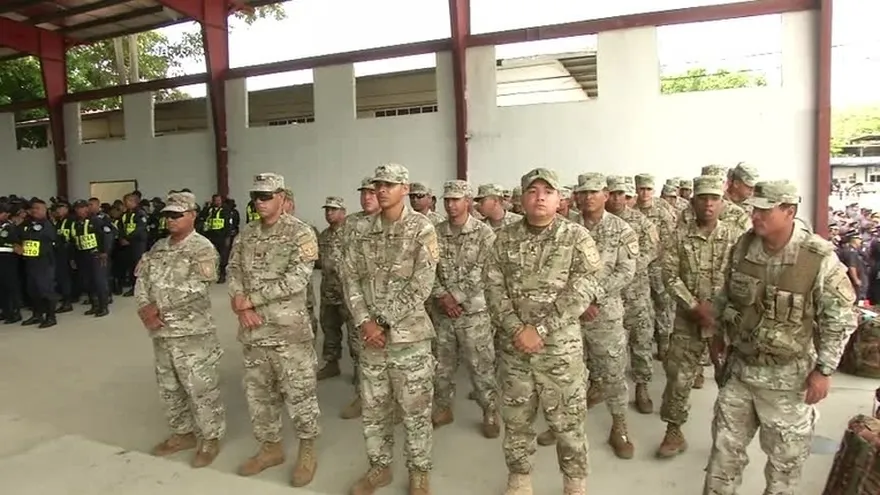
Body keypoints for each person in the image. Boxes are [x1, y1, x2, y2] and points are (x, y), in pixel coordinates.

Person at [703, 180, 857, 494]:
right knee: (723, 454)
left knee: (784, 466)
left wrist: (824, 370)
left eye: (764, 210)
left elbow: (839, 318)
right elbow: (727, 295)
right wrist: (717, 331)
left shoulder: (817, 257)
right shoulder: (744, 247)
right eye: (753, 209)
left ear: (789, 211)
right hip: (741, 372)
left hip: (788, 379)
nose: (755, 216)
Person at [484, 168, 603, 495]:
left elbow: (583, 288)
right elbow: (493, 290)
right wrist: (516, 329)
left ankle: (574, 483)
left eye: (547, 191)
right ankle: (520, 479)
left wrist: (540, 328)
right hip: (516, 350)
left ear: (559, 198)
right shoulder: (503, 240)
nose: (539, 197)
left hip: (559, 352)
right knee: (517, 421)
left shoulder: (576, 237)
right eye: (532, 191)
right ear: (521, 198)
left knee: (569, 423)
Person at [340, 163, 439, 495]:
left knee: (415, 411)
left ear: (405, 188)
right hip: (371, 340)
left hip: (409, 339)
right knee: (374, 409)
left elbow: (421, 285)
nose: (381, 190)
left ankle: (419, 472)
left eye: (389, 185)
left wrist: (380, 321)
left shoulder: (421, 229)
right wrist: (364, 322)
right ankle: (379, 467)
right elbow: (350, 278)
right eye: (377, 185)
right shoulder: (362, 231)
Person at [227, 173, 321, 487]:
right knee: (259, 394)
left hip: (287, 332)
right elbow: (233, 269)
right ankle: (270, 447)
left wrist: (250, 300)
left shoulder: (301, 233)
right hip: (254, 332)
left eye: (267, 196)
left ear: (282, 197)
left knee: (299, 393)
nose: (260, 202)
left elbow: (298, 279)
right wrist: (240, 300)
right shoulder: (247, 234)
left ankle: (307, 448)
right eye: (256, 196)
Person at [135, 192, 226, 468]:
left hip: (192, 333)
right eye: (167, 215)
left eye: (177, 215)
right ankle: (183, 432)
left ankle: (210, 437)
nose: (171, 220)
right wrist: (144, 309)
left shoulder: (203, 248)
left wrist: (159, 308)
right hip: (161, 333)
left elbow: (198, 289)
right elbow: (142, 280)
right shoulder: (158, 248)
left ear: (192, 216)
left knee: (200, 387)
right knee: (169, 386)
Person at [656, 175, 744, 459]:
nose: (708, 204)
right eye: (702, 198)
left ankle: (729, 436)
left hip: (725, 321)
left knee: (730, 380)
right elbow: (669, 276)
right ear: (692, 202)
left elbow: (741, 278)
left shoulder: (736, 237)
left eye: (714, 199)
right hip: (687, 319)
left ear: (722, 203)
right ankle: (673, 430)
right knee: (678, 378)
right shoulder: (677, 236)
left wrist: (718, 309)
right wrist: (694, 306)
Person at [430, 180, 499, 438]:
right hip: (443, 313)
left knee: (481, 366)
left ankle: (490, 410)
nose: (450, 204)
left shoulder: (484, 234)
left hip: (474, 314)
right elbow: (426, 269)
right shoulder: (434, 233)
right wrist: (442, 296)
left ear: (468, 201)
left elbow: (485, 271)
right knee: (442, 366)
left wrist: (455, 297)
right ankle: (444, 407)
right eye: (447, 199)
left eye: (456, 199)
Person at [19, 199, 58, 328]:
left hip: (44, 263)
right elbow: (19, 236)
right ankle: (37, 315)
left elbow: (50, 240)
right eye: (33, 208)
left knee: (46, 290)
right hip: (30, 262)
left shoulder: (47, 225)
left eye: (38, 208)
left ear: (44, 210)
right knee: (32, 290)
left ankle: (51, 317)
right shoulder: (27, 224)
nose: (35, 210)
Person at [72, 200, 114, 317]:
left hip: (97, 255)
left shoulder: (96, 220)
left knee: (99, 281)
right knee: (88, 281)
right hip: (83, 255)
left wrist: (105, 251)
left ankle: (103, 306)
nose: (79, 210)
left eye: (82, 207)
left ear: (87, 208)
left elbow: (107, 235)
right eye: (77, 208)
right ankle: (94, 305)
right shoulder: (76, 223)